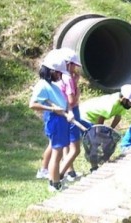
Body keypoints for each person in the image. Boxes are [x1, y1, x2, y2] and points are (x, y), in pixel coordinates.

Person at [29, 50, 74, 192]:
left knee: (59, 153)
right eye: (59, 73)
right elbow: (33, 104)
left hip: (62, 119)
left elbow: (65, 103)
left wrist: (69, 111)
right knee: (57, 153)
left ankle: (54, 181)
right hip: (55, 120)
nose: (60, 76)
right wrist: (53, 109)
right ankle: (54, 184)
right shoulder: (42, 85)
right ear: (52, 71)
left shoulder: (53, 86)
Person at [37, 48, 83, 181]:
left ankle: (47, 170)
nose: (75, 68)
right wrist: (77, 87)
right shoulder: (67, 78)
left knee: (56, 143)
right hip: (68, 112)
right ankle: (60, 175)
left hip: (56, 112)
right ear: (67, 64)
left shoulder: (56, 78)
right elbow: (71, 101)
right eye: (74, 65)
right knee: (72, 148)